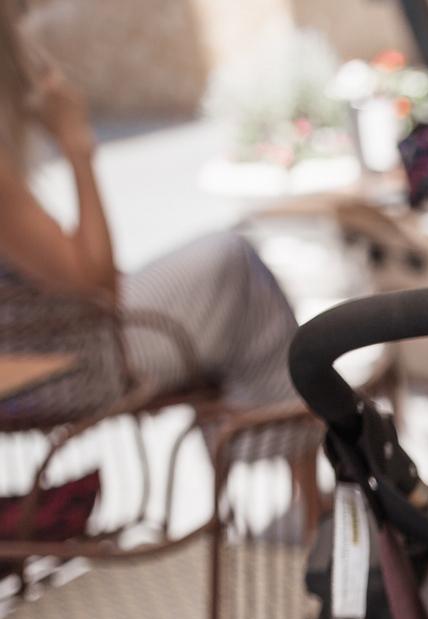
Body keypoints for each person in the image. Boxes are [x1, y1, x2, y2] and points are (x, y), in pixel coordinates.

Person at [0, 2, 298, 413]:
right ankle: (303, 466)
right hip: (68, 367)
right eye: (19, 19)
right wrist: (77, 146)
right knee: (235, 264)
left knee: (235, 296)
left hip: (56, 348)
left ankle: (267, 451)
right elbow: (99, 288)